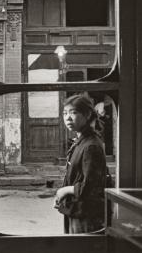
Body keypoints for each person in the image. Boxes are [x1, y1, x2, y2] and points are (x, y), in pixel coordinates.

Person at [54, 94, 107, 234]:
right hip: (76, 209)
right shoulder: (81, 141)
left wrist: (64, 191)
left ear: (87, 114)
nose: (67, 118)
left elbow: (90, 186)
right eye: (65, 113)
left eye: (74, 112)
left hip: (86, 214)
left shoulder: (90, 146)